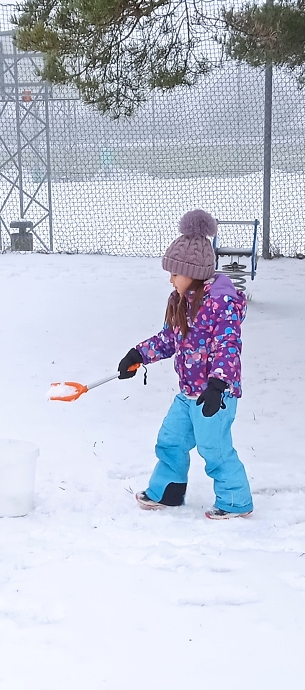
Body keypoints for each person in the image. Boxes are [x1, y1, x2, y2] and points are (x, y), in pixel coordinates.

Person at [117, 209, 253, 520]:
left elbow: (228, 347)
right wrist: (138, 355)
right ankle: (169, 491)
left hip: (214, 396)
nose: (170, 278)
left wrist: (218, 385)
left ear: (193, 272)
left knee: (214, 450)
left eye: (174, 272)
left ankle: (236, 501)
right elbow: (168, 340)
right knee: (171, 440)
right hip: (188, 394)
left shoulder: (222, 305)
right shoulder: (181, 302)